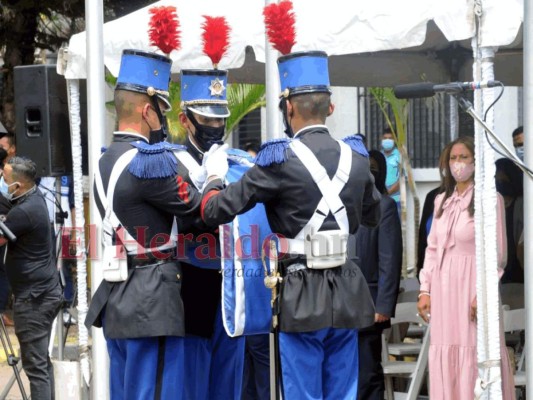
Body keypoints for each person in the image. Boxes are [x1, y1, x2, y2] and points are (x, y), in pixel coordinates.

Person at [200, 49, 380, 399]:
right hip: (346, 286)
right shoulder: (358, 158)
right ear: (330, 107)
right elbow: (371, 215)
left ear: (290, 107)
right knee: (343, 391)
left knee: (302, 392)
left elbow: (215, 210)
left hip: (300, 290)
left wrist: (213, 177)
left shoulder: (278, 159)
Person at [84, 49, 204, 400]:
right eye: (162, 112)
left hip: (119, 296)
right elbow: (198, 209)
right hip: (151, 302)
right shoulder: (150, 163)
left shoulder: (107, 160)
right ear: (148, 110)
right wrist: (212, 178)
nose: (164, 121)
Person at [176, 65, 271, 399]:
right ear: (185, 119)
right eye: (207, 120)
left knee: (230, 382)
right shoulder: (171, 163)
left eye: (220, 120)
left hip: (236, 286)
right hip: (192, 281)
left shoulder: (239, 164)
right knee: (193, 381)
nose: (216, 127)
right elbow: (189, 220)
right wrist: (211, 180)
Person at [417, 136, 515, 399]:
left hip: (473, 287)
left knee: (475, 351)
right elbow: (433, 248)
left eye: (464, 158)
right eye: (453, 158)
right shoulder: (441, 201)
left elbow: (498, 254)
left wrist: (482, 293)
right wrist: (424, 290)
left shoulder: (488, 199)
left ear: (476, 162)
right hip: (443, 289)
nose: (457, 164)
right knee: (445, 350)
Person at [0, 156, 63, 400]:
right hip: (42, 293)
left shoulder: (25, 211)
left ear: (18, 185)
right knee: (41, 365)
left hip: (34, 299)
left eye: (5, 179)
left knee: (36, 367)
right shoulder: (34, 199)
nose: (2, 182)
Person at [354, 150, 402, 400]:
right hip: (343, 307)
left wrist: (383, 305)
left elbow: (390, 260)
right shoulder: (344, 204)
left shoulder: (385, 206)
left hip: (372, 306)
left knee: (368, 374)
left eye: (372, 167)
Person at [416, 143, 450, 276]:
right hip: (433, 269)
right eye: (446, 161)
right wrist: (421, 267)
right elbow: (423, 236)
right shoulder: (433, 197)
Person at [495, 158, 524, 283]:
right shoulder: (493, 204)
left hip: (521, 275)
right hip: (501, 275)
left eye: (502, 179)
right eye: (495, 178)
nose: (499, 182)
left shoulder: (522, 204)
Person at [381, 127, 401, 211]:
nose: (387, 140)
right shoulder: (379, 156)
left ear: (395, 140)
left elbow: (402, 179)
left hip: (396, 200)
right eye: (385, 138)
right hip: (380, 200)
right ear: (381, 139)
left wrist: (388, 193)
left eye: (390, 138)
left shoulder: (399, 156)